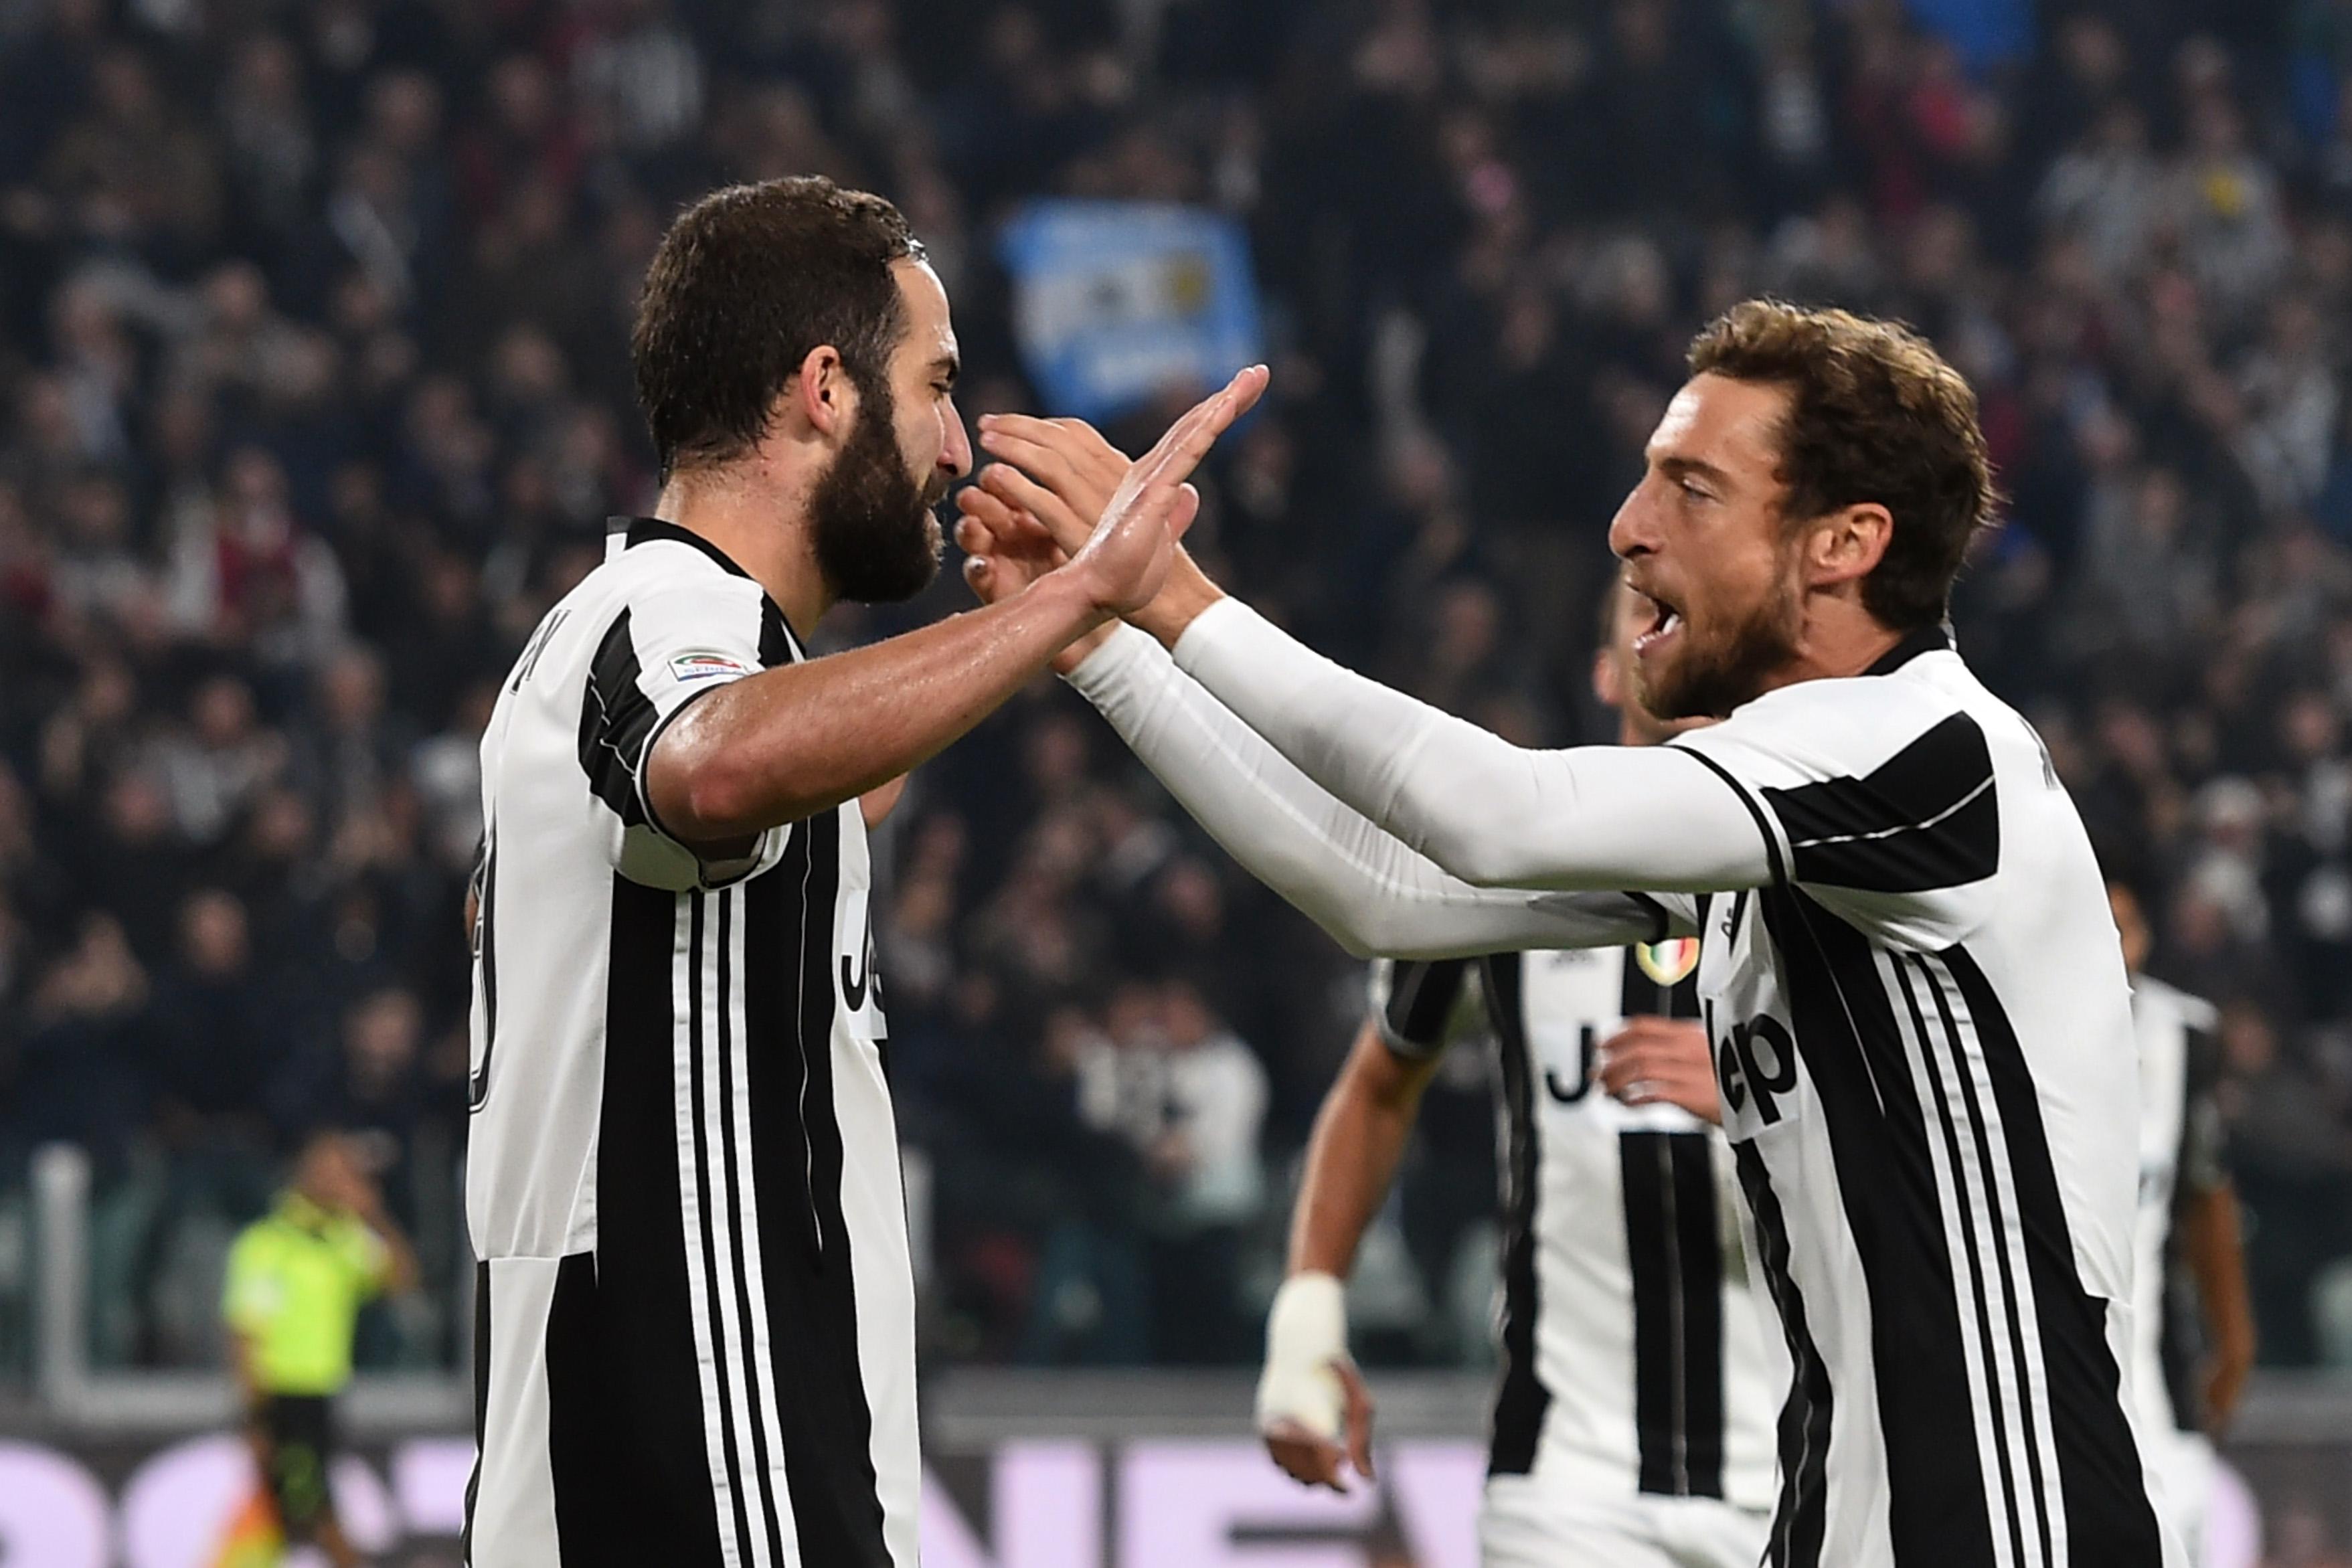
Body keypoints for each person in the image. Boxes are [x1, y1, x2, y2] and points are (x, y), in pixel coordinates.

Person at [960, 298, 2179, 1565]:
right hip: (1832, 1524)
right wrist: (1105, 646)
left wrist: (1170, 590)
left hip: (2009, 1523)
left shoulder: (1928, 751)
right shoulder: (1790, 815)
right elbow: (1383, 892)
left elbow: (1493, 815)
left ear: (1843, 543)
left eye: (1688, 489)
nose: (1625, 527)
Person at [460, 173, 1262, 1568]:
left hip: (677, 1453)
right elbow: (712, 765)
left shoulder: (674, 645)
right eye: (936, 386)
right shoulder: (661, 616)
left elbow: (793, 802)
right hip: (705, 1446)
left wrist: (1004, 625)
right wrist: (1088, 591)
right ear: (823, 390)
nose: (956, 445)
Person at [1254, 582, 1778, 1567]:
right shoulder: (1509, 865)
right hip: (1566, 1486)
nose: (1670, 618)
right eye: (1644, 606)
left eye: (1694, 603)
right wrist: (1308, 1313)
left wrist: (1765, 1103)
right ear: (1604, 666)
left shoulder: (1823, 884)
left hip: (1801, 1477)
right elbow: (1378, 1081)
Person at [2109, 877, 2258, 1564]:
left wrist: (2233, 1341)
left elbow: (2204, 1192)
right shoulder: (1996, 1031)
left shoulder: (2185, 1038)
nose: (2114, 950)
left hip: (2159, 1381)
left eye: (2127, 929)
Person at [220, 1130, 419, 1568]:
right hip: (282, 1397)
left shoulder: (344, 1241)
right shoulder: (268, 1243)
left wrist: (374, 1213)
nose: (337, 1178)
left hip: (322, 1396)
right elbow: (245, 1332)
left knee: (290, 1517)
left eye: (344, 1169)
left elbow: (402, 1279)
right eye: (330, 1167)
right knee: (314, 1514)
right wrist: (257, 1415)